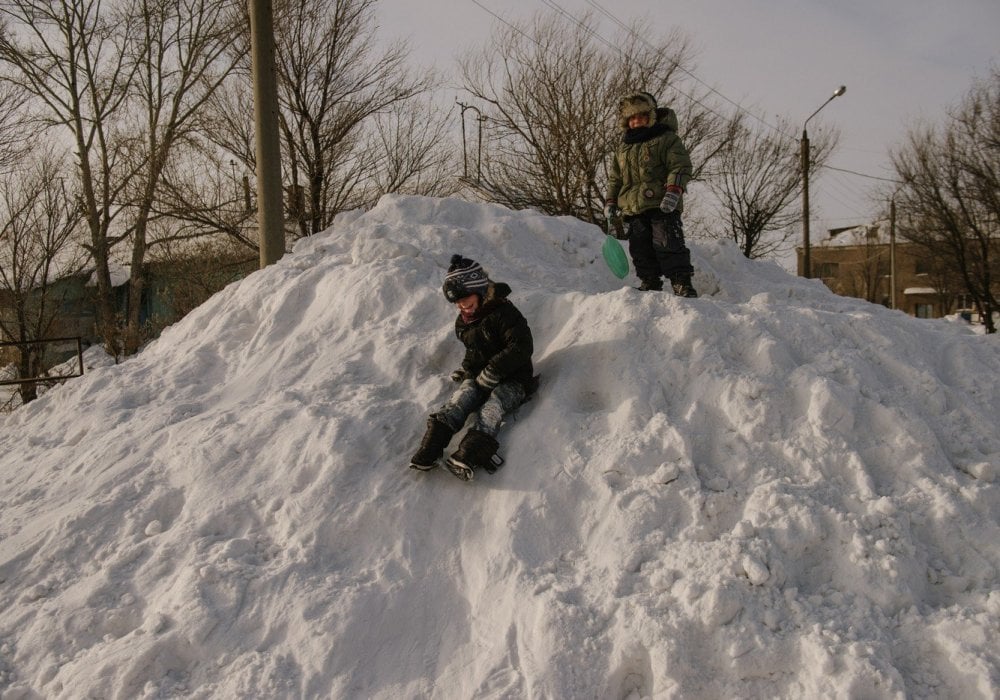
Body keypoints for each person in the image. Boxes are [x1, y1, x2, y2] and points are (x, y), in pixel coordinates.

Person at [409, 255, 537, 481]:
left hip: (514, 379)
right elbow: (474, 351)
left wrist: (494, 370)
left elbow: (522, 346)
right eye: (457, 304)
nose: (462, 307)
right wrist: (469, 372)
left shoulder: (504, 313)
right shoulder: (464, 321)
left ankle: (469, 454)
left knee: (492, 406)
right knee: (461, 398)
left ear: (480, 291)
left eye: (466, 301)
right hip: (481, 376)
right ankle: (431, 448)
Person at [604, 90, 698, 297]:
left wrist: (674, 190)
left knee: (668, 243)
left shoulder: (666, 139)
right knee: (640, 248)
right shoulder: (623, 149)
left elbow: (680, 166)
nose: (637, 121)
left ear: (651, 116)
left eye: (642, 116)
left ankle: (681, 282)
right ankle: (649, 281)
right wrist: (611, 201)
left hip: (662, 203)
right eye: (632, 118)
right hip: (632, 207)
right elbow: (615, 178)